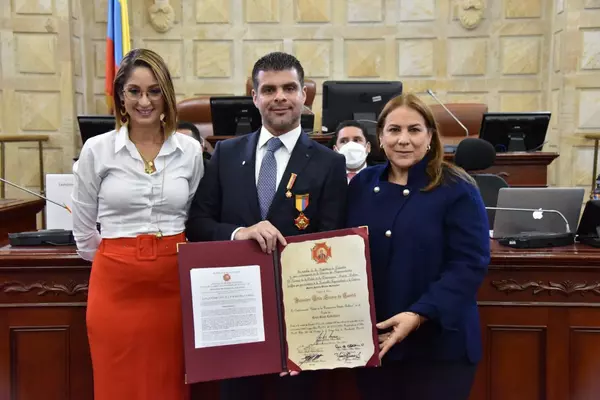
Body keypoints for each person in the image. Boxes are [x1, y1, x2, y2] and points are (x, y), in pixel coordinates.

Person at [185, 51, 347, 399]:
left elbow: (333, 244)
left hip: (300, 319)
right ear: (255, 97)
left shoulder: (329, 164)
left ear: (304, 95)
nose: (280, 97)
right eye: (269, 89)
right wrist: (237, 233)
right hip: (235, 314)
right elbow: (197, 223)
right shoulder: (225, 154)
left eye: (289, 88)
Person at [71, 48, 204, 400]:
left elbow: (194, 214)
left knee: (169, 383)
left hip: (173, 283)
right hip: (116, 285)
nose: (144, 101)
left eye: (154, 91)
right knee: (118, 384)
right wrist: (121, 256)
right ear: (120, 96)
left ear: (167, 96)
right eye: (134, 91)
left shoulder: (190, 152)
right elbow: (83, 228)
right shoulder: (96, 150)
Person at [345, 93, 490, 400]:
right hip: (378, 342)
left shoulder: (456, 187)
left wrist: (419, 314)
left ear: (430, 136)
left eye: (414, 130)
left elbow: (469, 264)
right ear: (380, 138)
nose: (404, 140)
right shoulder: (360, 186)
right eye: (394, 130)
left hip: (439, 346)